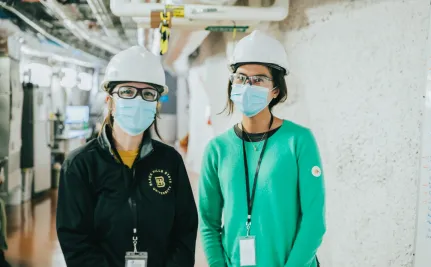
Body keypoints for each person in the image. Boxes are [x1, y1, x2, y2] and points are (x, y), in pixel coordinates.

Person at [56, 46, 198, 267]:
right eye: (127, 92)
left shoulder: (170, 162)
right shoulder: (80, 166)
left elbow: (185, 231)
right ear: (110, 101)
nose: (138, 100)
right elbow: (75, 241)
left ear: (156, 103)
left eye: (148, 93)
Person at [198, 30, 326, 267]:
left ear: (275, 90)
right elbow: (209, 223)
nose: (248, 85)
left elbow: (314, 221)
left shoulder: (298, 141)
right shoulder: (217, 150)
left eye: (258, 79)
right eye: (241, 78)